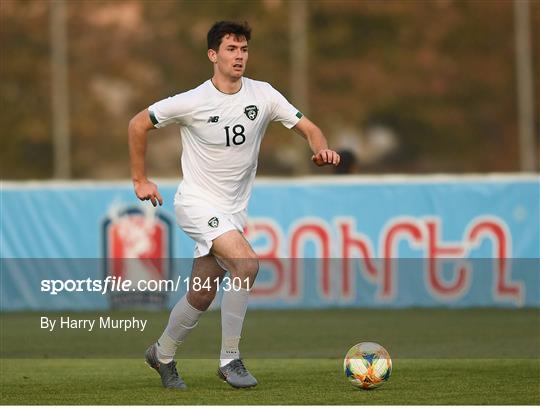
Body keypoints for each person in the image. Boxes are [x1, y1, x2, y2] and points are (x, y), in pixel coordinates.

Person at [128, 21, 340, 390]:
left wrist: (319, 148)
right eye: (230, 49)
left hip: (232, 211)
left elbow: (309, 128)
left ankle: (161, 354)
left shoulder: (263, 95)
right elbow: (137, 124)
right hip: (195, 203)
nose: (239, 56)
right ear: (213, 55)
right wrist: (140, 180)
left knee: (202, 293)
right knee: (246, 263)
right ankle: (230, 359)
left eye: (243, 50)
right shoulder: (192, 101)